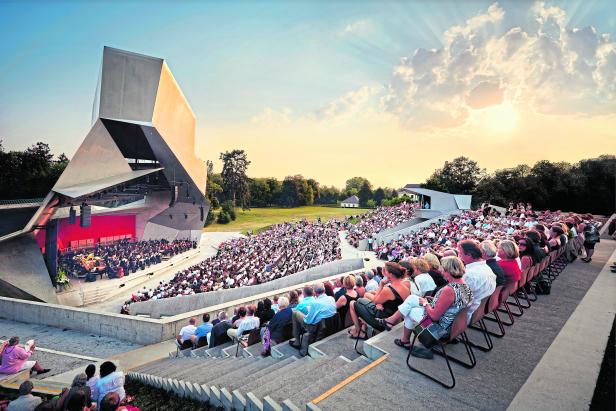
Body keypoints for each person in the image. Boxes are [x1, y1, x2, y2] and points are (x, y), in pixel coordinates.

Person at [385, 256, 473, 357]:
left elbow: (434, 316)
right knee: (413, 299)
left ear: (448, 271)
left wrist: (425, 303)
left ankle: (402, 337)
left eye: (443, 270)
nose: (442, 272)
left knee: (410, 310)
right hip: (455, 327)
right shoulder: (465, 286)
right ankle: (392, 324)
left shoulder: (449, 290)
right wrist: (435, 301)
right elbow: (453, 307)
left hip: (440, 330)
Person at [349, 262, 410, 337]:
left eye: (386, 271)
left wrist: (381, 284)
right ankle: (360, 328)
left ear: (390, 274)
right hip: (394, 317)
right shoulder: (407, 284)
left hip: (380, 320)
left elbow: (375, 300)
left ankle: (359, 332)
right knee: (360, 300)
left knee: (352, 303)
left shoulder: (388, 290)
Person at [289, 283, 337, 356]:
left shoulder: (315, 303)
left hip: (316, 326)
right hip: (329, 325)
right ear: (324, 290)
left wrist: (306, 315)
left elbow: (308, 321)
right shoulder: (331, 298)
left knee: (295, 313)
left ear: (314, 292)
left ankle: (297, 341)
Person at [458, 240, 496, 322]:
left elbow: (458, 301)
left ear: (469, 255)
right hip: (476, 312)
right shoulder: (487, 268)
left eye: (460, 253)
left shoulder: (470, 275)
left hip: (462, 317)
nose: (459, 257)